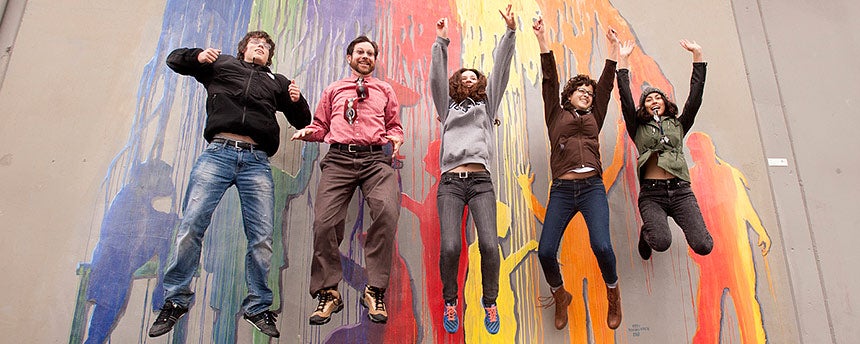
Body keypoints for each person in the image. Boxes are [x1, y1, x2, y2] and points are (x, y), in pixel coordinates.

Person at [148, 31, 312, 339]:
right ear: (244, 49)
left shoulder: (277, 82)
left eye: (265, 47)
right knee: (191, 226)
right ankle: (175, 300)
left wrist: (297, 100)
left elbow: (303, 121)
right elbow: (173, 60)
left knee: (262, 237)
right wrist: (196, 56)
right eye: (255, 44)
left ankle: (258, 307)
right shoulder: (221, 64)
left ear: (269, 56)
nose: (260, 48)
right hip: (218, 154)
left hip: (256, 161)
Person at [291, 35, 404, 325]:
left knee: (387, 212)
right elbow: (320, 125)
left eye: (370, 53)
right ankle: (329, 292)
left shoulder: (384, 90)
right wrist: (308, 133)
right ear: (349, 57)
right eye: (360, 52)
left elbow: (394, 125)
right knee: (324, 223)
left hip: (376, 160)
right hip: (339, 159)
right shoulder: (333, 89)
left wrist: (396, 138)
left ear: (374, 60)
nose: (365, 56)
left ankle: (375, 289)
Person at [429, 5, 516, 335]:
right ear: (456, 84)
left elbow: (500, 69)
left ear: (479, 84)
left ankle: (489, 301)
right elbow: (437, 77)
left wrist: (510, 33)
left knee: (489, 245)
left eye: (473, 77)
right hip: (451, 182)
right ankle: (451, 298)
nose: (469, 79)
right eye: (463, 77)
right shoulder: (446, 106)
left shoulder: (486, 104)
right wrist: (441, 42)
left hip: (481, 182)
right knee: (451, 246)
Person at [531, 17, 622, 331]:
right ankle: (560, 295)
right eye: (580, 90)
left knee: (602, 246)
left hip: (592, 188)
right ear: (568, 95)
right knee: (545, 251)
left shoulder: (595, 113)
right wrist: (543, 41)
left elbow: (606, 86)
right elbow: (549, 80)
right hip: (563, 191)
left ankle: (613, 293)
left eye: (588, 91)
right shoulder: (554, 114)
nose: (586, 92)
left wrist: (612, 50)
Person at [615, 38, 714, 261]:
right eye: (648, 100)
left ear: (665, 103)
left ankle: (656, 228)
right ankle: (647, 233)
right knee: (661, 242)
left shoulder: (678, 125)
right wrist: (624, 60)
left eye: (657, 97)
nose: (653, 101)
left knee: (704, 245)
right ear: (645, 108)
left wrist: (697, 55)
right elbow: (626, 100)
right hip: (652, 195)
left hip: (681, 192)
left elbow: (695, 98)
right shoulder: (638, 128)